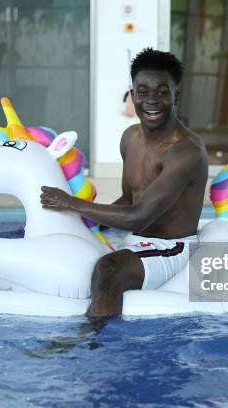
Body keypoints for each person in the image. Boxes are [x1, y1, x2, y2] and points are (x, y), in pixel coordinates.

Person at [40, 48, 208, 318]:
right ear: (132, 95)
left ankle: (90, 344)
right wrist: (77, 224)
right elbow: (128, 201)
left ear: (176, 95)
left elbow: (137, 216)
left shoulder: (186, 151)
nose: (151, 101)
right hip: (137, 240)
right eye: (142, 92)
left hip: (172, 247)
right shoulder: (130, 138)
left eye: (162, 92)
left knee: (108, 270)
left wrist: (71, 203)